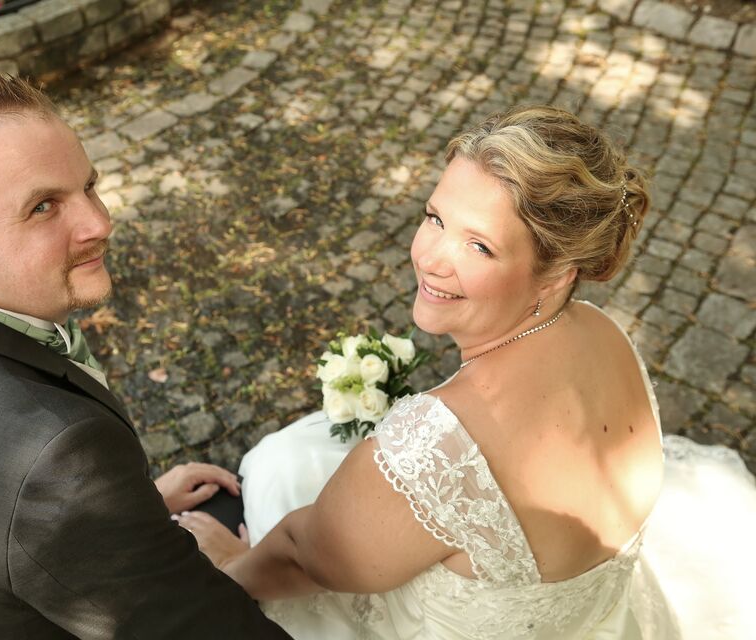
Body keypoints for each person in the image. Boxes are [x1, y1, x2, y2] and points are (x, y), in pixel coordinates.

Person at [179, 106, 756, 639]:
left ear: (557, 274)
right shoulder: (605, 332)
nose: (429, 257)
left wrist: (230, 566)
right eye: (435, 218)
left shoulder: (438, 449)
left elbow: (304, 559)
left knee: (281, 465)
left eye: (479, 246)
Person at [0, 75, 290, 639]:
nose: (100, 223)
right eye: (43, 206)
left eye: (89, 186)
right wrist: (225, 565)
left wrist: (131, 511)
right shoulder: (60, 457)